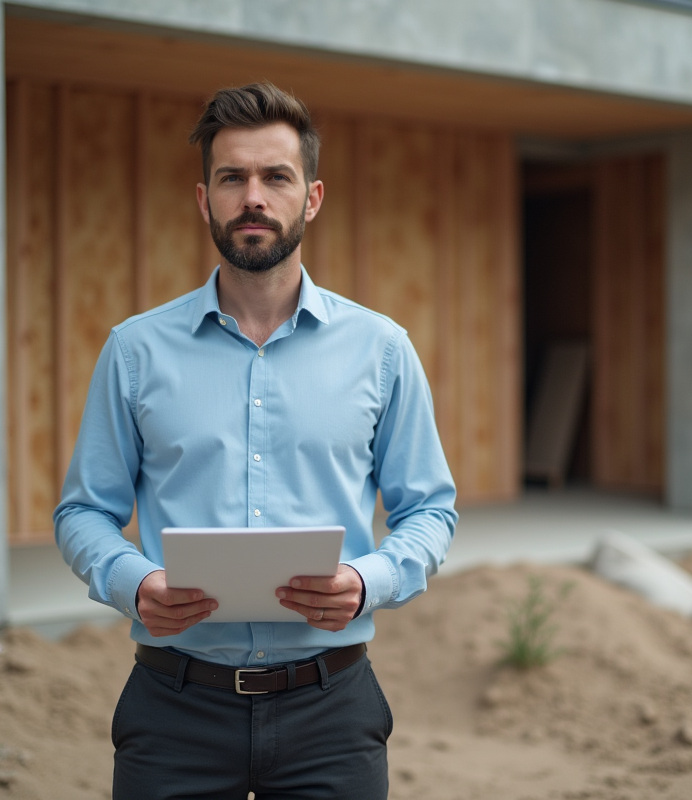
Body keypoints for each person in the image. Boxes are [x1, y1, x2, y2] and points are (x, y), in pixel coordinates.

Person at [54, 81, 457, 800]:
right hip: (173, 707)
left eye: (276, 176)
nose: (253, 197)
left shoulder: (383, 349)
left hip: (332, 711)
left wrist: (370, 581)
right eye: (231, 177)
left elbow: (429, 509)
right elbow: (83, 512)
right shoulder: (134, 351)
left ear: (313, 197)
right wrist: (133, 583)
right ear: (203, 199)